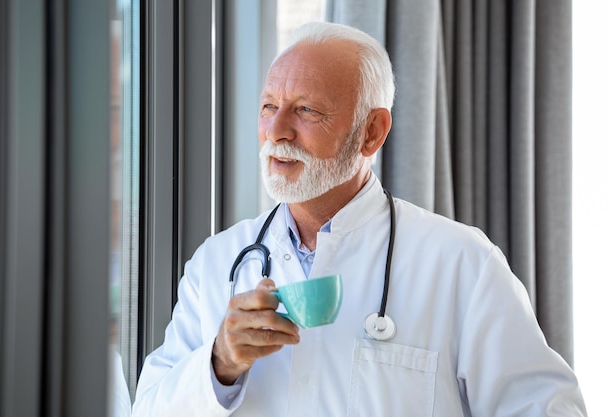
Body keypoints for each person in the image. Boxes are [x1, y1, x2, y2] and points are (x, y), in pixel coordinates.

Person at [131, 22, 586, 416]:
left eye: (306, 110)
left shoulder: (463, 264)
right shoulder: (218, 262)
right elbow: (147, 410)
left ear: (372, 132)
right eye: (270, 105)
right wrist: (219, 363)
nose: (276, 131)